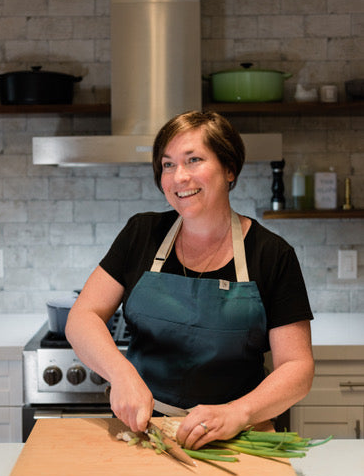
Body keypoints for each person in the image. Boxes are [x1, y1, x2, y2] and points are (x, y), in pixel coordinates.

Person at [66, 110, 314, 450]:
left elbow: (298, 367)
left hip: (236, 435)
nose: (178, 176)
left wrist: (238, 413)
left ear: (229, 169)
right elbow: (82, 317)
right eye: (167, 164)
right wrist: (121, 375)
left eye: (193, 160)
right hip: (144, 430)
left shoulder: (272, 254)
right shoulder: (142, 233)